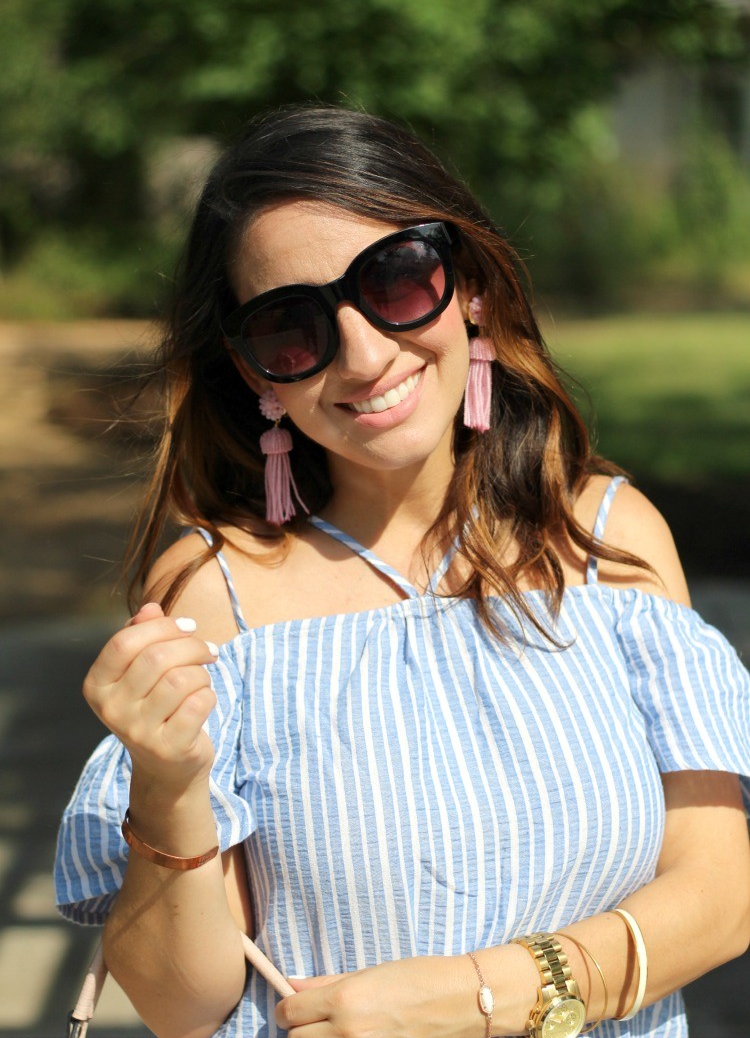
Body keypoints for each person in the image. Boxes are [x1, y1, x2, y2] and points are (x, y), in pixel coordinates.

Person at [55, 106, 750, 1038]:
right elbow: (182, 1005)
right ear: (256, 372)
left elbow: (721, 896)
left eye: (396, 279)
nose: (365, 354)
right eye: (291, 329)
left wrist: (480, 996)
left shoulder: (609, 542)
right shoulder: (212, 594)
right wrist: (168, 784)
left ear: (471, 288)